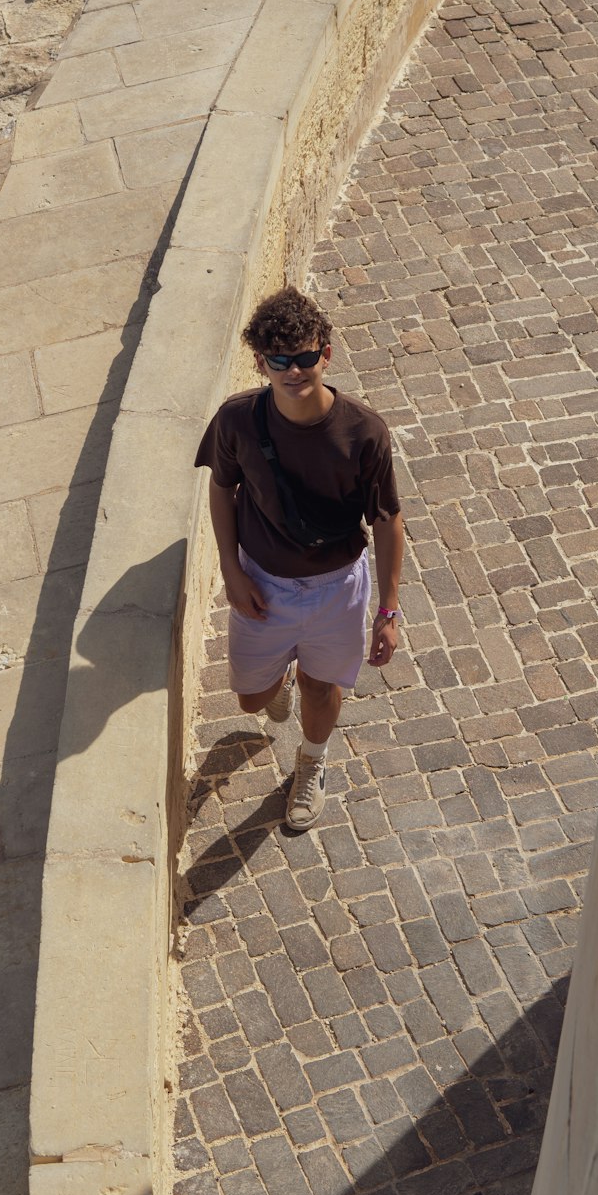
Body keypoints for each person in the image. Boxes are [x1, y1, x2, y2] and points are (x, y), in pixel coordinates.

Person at [194, 286, 404, 831]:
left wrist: (387, 611)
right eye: (280, 360)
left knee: (321, 687)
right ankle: (282, 681)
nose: (294, 370)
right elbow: (221, 488)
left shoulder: (364, 432)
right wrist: (231, 571)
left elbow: (386, 521)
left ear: (325, 354)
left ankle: (312, 762)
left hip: (338, 588)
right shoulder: (238, 420)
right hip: (262, 584)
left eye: (305, 356)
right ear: (261, 363)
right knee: (250, 699)